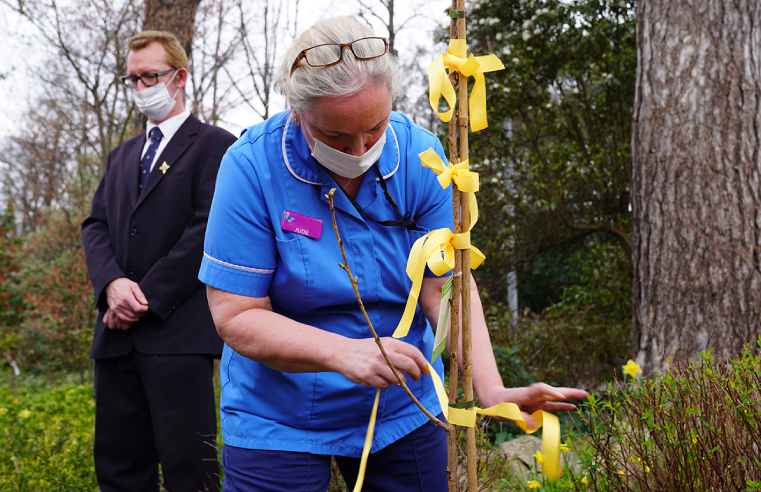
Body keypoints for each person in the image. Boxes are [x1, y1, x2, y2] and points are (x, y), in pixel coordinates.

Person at [200, 16, 586, 492]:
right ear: (298, 114)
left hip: (404, 405)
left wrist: (492, 388)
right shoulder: (250, 169)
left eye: (375, 128)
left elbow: (444, 289)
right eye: (337, 137)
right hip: (278, 415)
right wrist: (344, 353)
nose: (360, 149)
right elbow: (236, 314)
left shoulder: (422, 159)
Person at [81, 30, 237, 492]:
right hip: (115, 334)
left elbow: (208, 229)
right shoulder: (121, 156)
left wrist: (144, 295)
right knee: (118, 467)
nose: (140, 87)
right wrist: (111, 285)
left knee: (191, 467)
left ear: (180, 76)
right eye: (132, 79)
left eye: (150, 76)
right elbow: (96, 226)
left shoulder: (215, 146)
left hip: (177, 335)